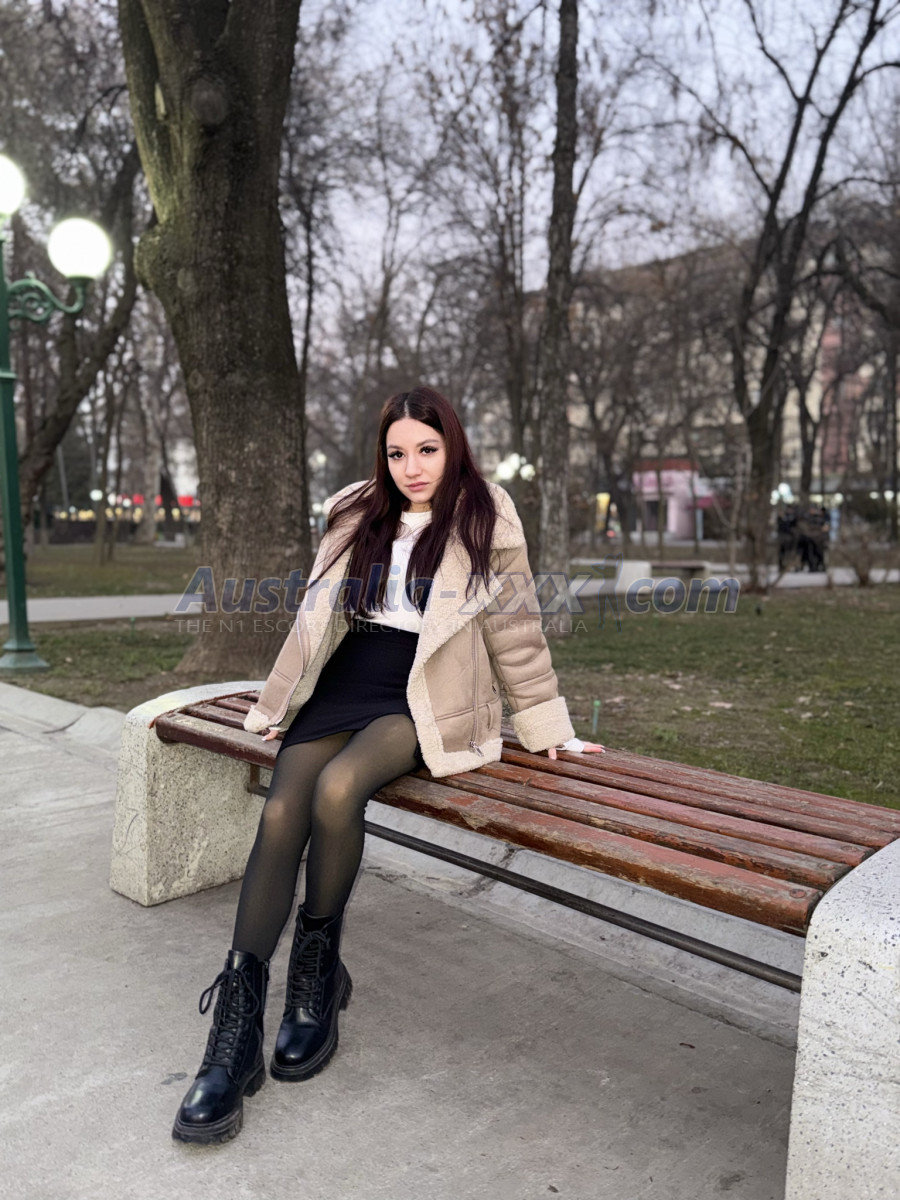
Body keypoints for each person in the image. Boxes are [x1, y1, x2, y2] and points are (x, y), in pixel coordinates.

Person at [172, 385, 605, 1145]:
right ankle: (233, 1034)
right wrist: (276, 701)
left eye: (427, 450)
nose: (413, 467)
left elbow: (516, 628)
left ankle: (316, 971)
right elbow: (314, 621)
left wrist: (546, 727)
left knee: (339, 789)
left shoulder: (487, 515)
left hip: (424, 691)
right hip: (347, 679)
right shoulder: (355, 510)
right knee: (283, 806)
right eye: (398, 452)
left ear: (452, 445)